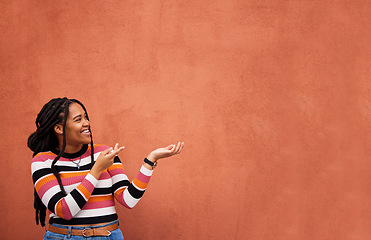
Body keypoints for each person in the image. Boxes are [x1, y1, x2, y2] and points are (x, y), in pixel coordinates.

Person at [28, 97, 184, 240]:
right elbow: (64, 210)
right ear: (59, 128)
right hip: (64, 237)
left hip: (109, 236)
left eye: (86, 117)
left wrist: (150, 161)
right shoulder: (42, 161)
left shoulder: (104, 153)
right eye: (78, 119)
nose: (86, 123)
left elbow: (128, 200)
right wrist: (96, 170)